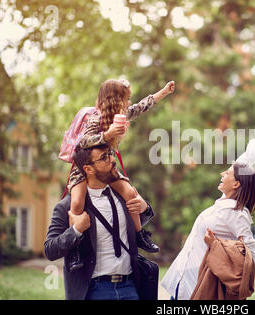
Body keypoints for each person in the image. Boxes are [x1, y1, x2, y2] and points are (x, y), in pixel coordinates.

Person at [161, 129, 255, 300]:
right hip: (181, 284)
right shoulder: (224, 202)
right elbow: (246, 160)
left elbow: (249, 258)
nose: (222, 173)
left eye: (227, 173)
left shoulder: (238, 214)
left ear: (236, 184)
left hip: (201, 290)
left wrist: (217, 246)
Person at [67, 78, 175, 271]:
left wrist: (164, 92)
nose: (127, 103)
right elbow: (82, 143)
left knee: (130, 194)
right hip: (84, 167)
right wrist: (107, 135)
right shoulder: (96, 118)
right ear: (113, 100)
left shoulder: (121, 115)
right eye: (125, 99)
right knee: (76, 202)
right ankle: (74, 248)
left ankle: (140, 234)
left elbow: (143, 105)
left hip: (107, 165)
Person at [45, 142, 154, 300]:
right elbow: (50, 250)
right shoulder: (68, 206)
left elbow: (131, 227)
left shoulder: (122, 196)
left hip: (129, 288)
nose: (111, 159)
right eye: (104, 158)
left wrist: (144, 207)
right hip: (94, 290)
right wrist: (76, 230)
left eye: (110, 153)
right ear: (88, 169)